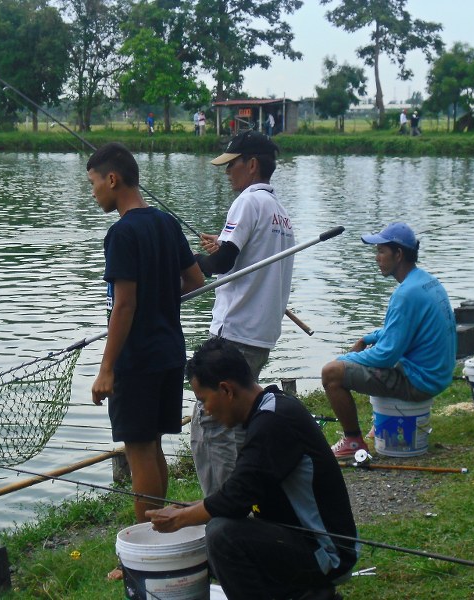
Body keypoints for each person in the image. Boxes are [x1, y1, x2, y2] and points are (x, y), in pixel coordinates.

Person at [146, 338, 358, 600]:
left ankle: (312, 593)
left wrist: (178, 519)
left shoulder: (273, 422)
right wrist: (188, 509)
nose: (205, 410)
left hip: (328, 553)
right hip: (302, 541)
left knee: (222, 536)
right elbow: (242, 493)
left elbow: (234, 500)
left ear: (226, 390)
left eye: (203, 400)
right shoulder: (268, 410)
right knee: (204, 548)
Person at [86, 142, 204, 523]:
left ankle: (147, 548)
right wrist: (162, 299)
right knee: (152, 447)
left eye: (94, 183)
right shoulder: (166, 224)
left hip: (137, 359)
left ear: (113, 179)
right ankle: (162, 533)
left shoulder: (122, 234)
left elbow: (124, 305)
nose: (94, 192)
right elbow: (195, 280)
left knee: (139, 452)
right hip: (170, 352)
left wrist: (106, 368)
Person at [190, 130, 295, 495]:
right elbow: (238, 255)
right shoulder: (279, 212)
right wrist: (221, 250)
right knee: (232, 423)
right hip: (260, 334)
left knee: (211, 425)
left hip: (235, 333)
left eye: (231, 164)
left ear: (251, 165)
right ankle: (245, 505)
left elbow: (222, 262)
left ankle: (226, 512)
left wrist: (192, 260)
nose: (227, 172)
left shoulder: (248, 202)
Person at [322, 222, 456, 458]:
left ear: (399, 254)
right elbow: (399, 332)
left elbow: (386, 355)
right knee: (368, 356)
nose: (377, 258)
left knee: (331, 372)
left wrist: (345, 358)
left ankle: (353, 440)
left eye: (381, 251)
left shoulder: (405, 294)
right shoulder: (425, 281)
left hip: (420, 382)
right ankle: (381, 423)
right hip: (437, 374)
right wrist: (368, 337)